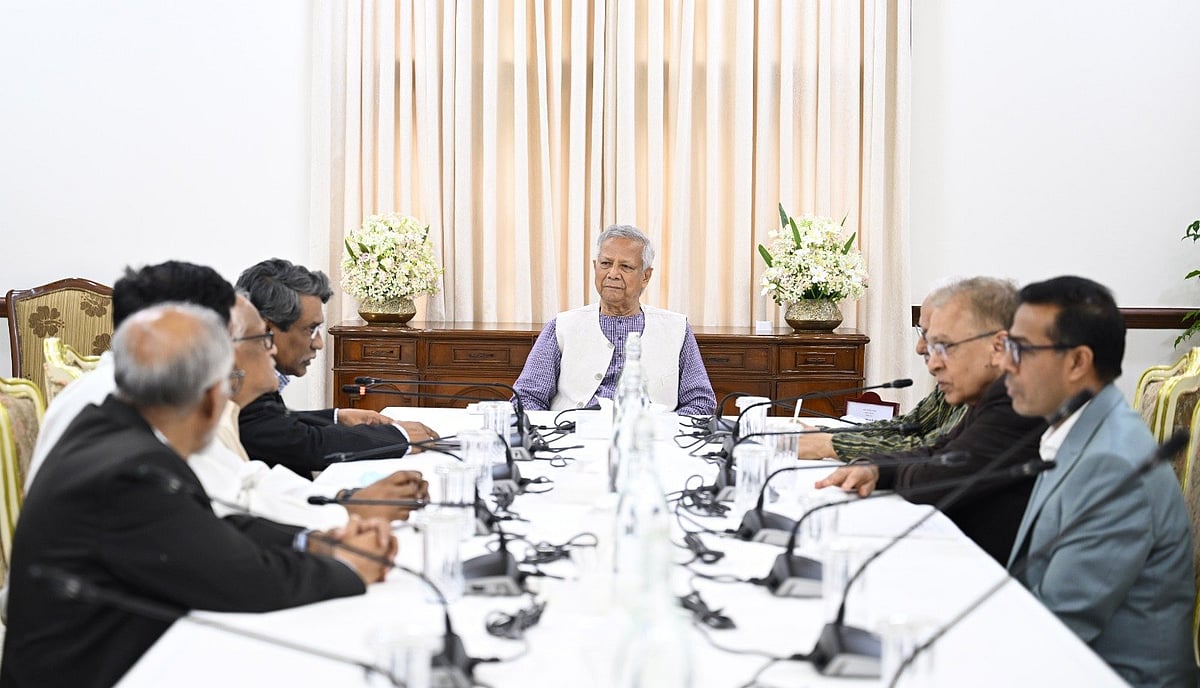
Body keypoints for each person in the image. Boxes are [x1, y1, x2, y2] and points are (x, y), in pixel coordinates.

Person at [1, 304, 396, 688]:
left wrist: (313, 542)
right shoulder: (132, 471)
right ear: (212, 398)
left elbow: (208, 526)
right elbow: (238, 578)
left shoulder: (111, 428)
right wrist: (348, 566)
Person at [25, 263, 427, 528]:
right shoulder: (128, 403)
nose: (264, 350)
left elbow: (242, 483)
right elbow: (226, 513)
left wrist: (344, 501)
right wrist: (342, 518)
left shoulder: (150, 389)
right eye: (252, 338)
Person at [1002, 276, 1195, 687]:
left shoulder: (1111, 462)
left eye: (1020, 349)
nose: (1005, 363)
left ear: (1077, 362)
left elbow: (1058, 624)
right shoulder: (1080, 429)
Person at [815, 277, 1043, 563]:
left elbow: (934, 479)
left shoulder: (1016, 404)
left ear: (998, 347)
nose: (932, 362)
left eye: (945, 346)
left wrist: (891, 470)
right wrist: (876, 467)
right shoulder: (991, 394)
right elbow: (936, 452)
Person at [236, 259, 438, 474]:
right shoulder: (237, 383)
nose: (319, 343)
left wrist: (338, 416)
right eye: (310, 329)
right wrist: (397, 436)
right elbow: (305, 445)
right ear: (266, 329)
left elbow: (274, 423)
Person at [513, 224, 716, 414]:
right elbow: (526, 398)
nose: (612, 274)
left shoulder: (676, 329)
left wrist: (664, 431)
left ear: (646, 276)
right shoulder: (562, 326)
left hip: (649, 441)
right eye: (606, 264)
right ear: (595, 267)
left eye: (625, 267)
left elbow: (700, 401)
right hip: (572, 438)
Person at [795, 290, 966, 459]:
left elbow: (930, 450)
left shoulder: (983, 402)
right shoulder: (953, 383)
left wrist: (830, 444)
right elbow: (906, 426)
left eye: (935, 337)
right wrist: (825, 434)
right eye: (922, 332)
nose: (919, 348)